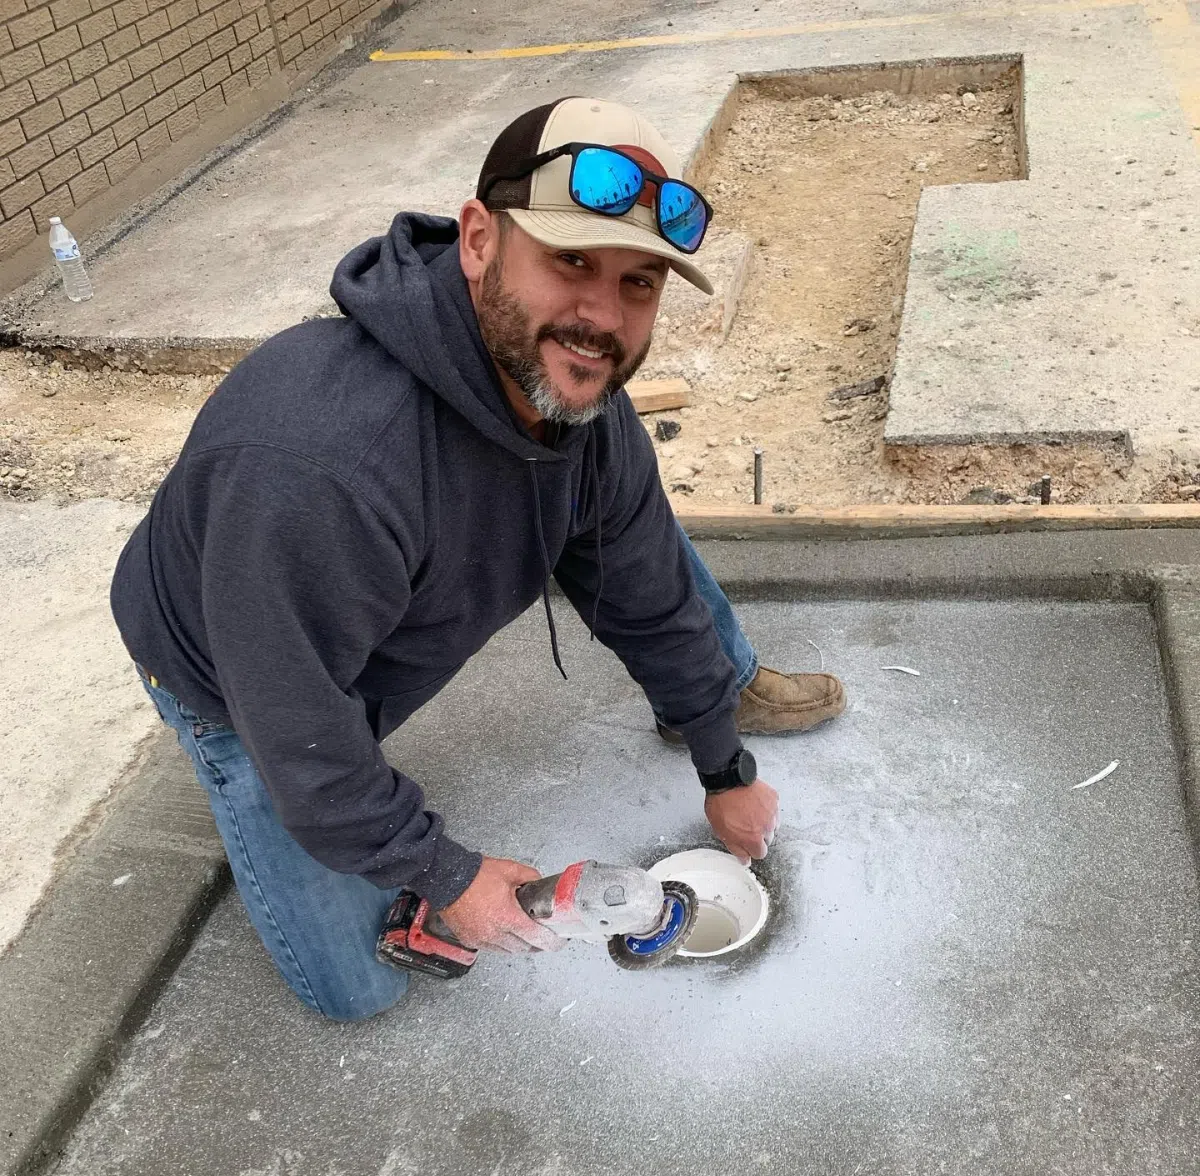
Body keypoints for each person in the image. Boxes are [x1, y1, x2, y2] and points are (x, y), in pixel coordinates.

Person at [111, 97, 846, 1021]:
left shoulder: (586, 407)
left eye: (639, 283)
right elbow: (299, 728)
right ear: (476, 241)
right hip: (230, 674)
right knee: (360, 988)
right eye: (570, 260)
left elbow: (651, 597)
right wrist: (444, 873)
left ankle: (716, 689)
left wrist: (723, 768)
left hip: (357, 601)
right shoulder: (321, 465)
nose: (601, 319)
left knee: (641, 532)